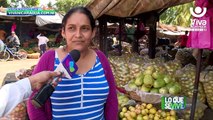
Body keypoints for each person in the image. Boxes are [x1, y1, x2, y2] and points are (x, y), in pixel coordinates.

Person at [27, 6, 118, 120]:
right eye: (71, 28)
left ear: (93, 32)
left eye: (84, 28)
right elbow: (33, 104)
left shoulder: (101, 58)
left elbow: (112, 101)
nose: (78, 35)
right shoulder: (49, 58)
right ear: (63, 32)